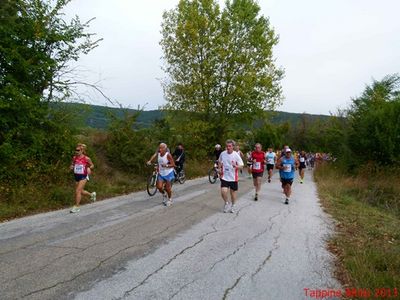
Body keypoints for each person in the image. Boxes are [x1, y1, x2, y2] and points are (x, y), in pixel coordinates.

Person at [218, 140, 244, 213]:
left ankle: (233, 205)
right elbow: (219, 161)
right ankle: (226, 203)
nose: (228, 147)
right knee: (223, 191)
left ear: (233, 147)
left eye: (229, 146)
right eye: (227, 146)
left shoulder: (236, 155)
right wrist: (219, 169)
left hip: (233, 178)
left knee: (232, 194)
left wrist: (236, 166)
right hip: (224, 176)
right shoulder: (223, 153)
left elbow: (242, 166)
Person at [70, 143, 96, 213]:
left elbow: (92, 165)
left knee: (77, 191)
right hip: (76, 176)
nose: (76, 151)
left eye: (78, 150)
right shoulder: (74, 158)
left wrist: (89, 168)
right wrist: (71, 166)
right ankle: (92, 195)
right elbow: (72, 164)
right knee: (81, 191)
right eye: (76, 150)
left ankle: (77, 207)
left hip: (83, 176)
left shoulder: (86, 158)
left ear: (82, 151)